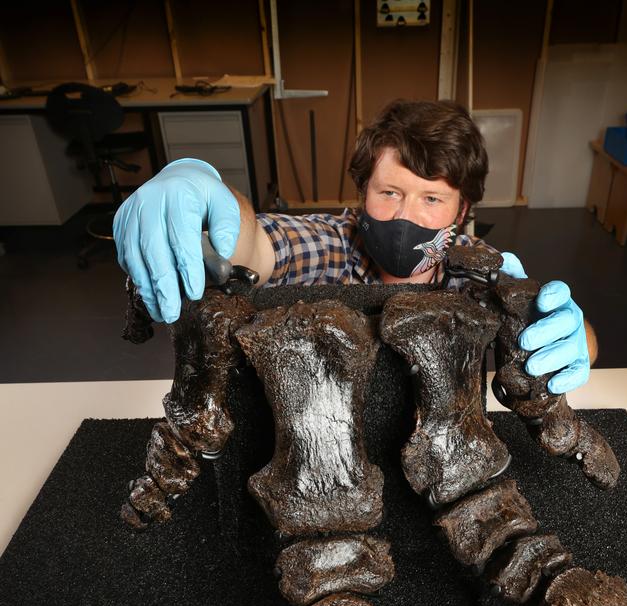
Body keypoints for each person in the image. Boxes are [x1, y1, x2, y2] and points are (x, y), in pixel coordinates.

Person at [113, 99, 591, 395]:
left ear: (462, 210)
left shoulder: (475, 269)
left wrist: (566, 335)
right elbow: (256, 244)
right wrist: (203, 192)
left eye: (432, 199)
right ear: (361, 195)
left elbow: (581, 341)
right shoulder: (335, 243)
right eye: (389, 193)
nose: (406, 217)